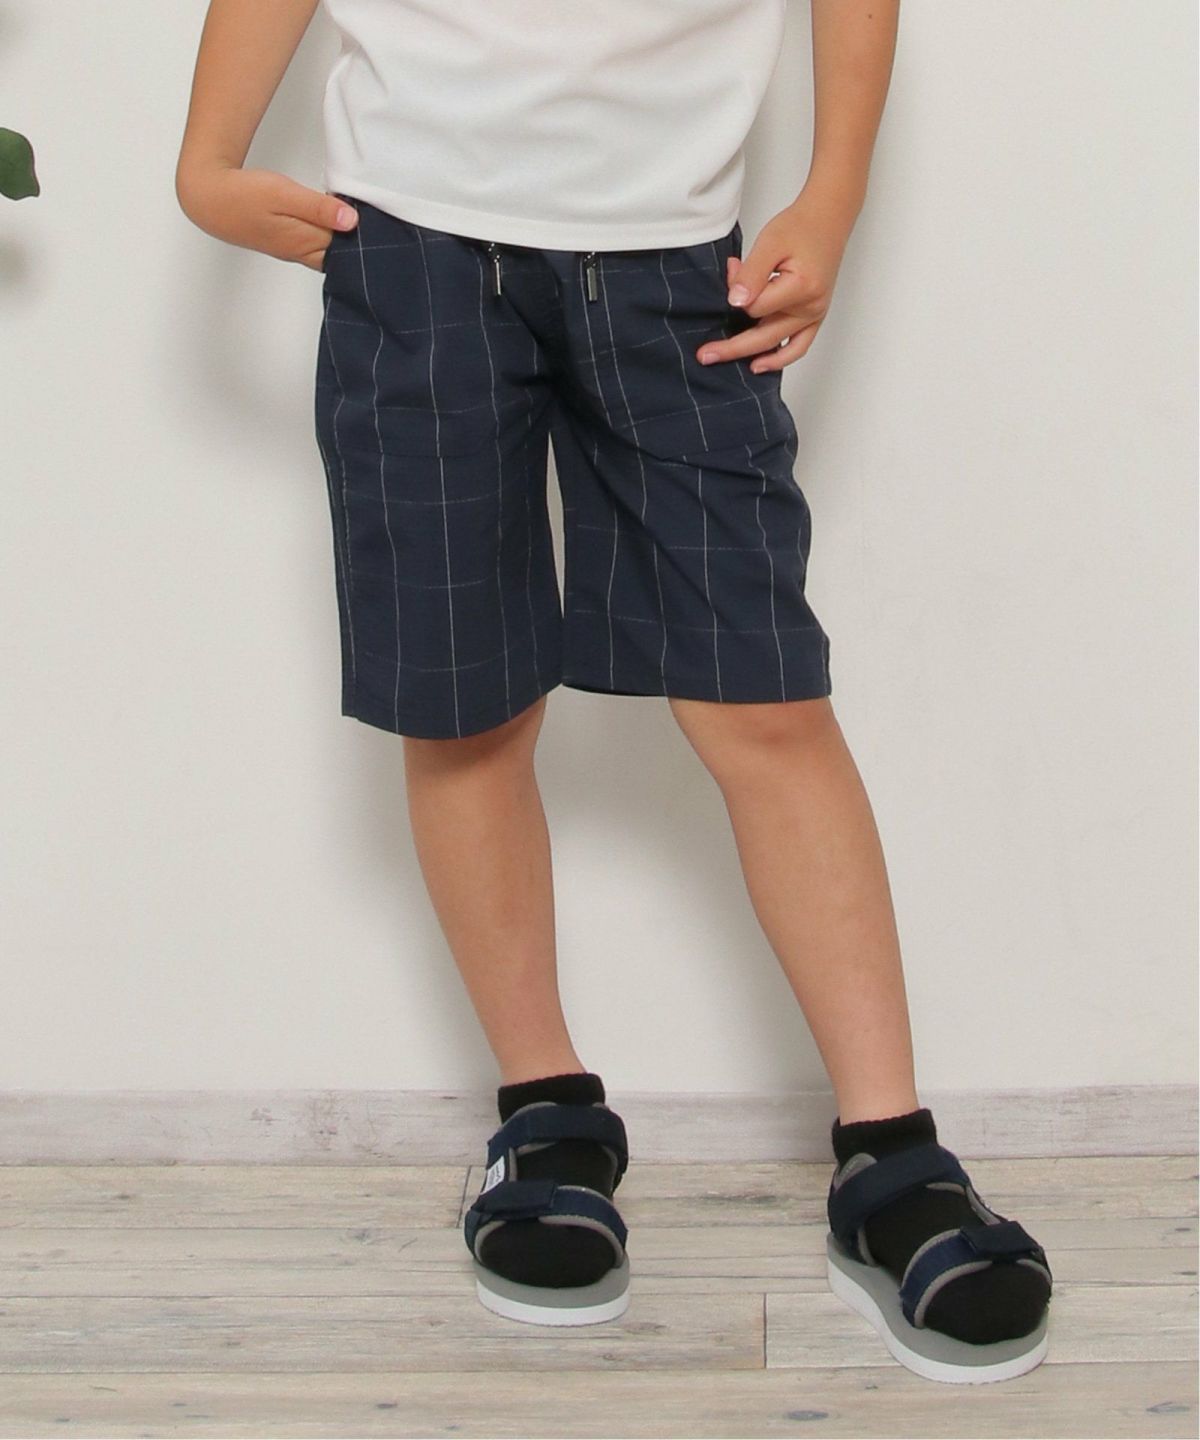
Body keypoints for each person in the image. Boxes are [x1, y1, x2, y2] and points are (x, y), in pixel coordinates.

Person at [176, 0, 1052, 1383]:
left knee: (764, 696)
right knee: (463, 702)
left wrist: (830, 194)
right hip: (412, 247)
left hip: (678, 258)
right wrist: (207, 158)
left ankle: (892, 1152)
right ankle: (547, 1117)